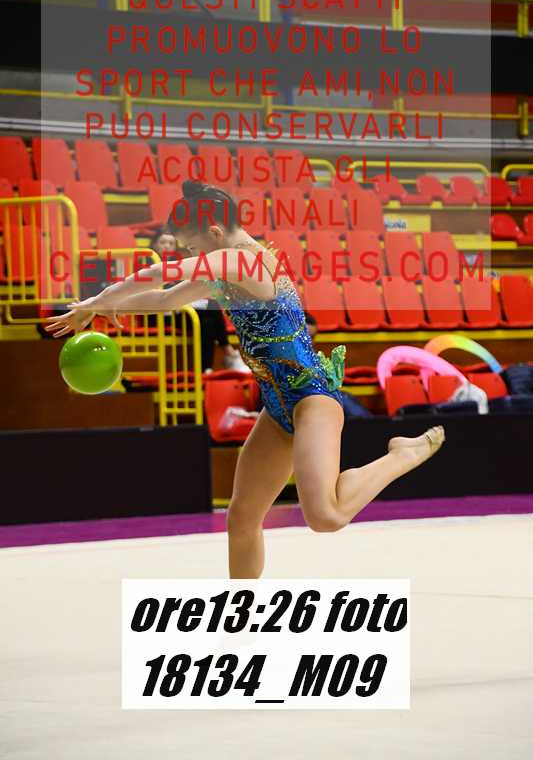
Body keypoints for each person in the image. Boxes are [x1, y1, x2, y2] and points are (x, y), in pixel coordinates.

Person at [46, 180, 445, 579]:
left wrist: (97, 300)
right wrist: (105, 307)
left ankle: (401, 455)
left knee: (325, 515)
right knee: (241, 519)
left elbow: (160, 274)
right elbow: (166, 298)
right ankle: (242, 610)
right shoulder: (224, 269)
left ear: (215, 232)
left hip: (312, 400)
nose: (192, 255)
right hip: (277, 406)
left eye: (192, 247)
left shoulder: (246, 262)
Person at [149, 227, 249, 373]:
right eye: (163, 242)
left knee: (208, 321)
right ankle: (229, 353)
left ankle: (205, 369)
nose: (167, 246)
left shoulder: (178, 265)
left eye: (171, 243)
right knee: (209, 310)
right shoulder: (148, 262)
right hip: (159, 315)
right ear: (154, 244)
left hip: (181, 310)